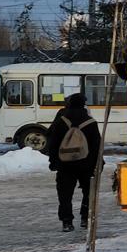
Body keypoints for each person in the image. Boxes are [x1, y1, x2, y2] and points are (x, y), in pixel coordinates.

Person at [44, 92, 102, 232]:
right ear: (84, 105)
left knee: (65, 194)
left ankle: (66, 221)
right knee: (88, 192)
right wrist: (97, 164)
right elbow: (96, 146)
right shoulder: (91, 123)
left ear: (69, 104)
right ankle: (85, 218)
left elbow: (53, 143)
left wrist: (54, 162)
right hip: (86, 165)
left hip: (65, 165)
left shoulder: (61, 121)